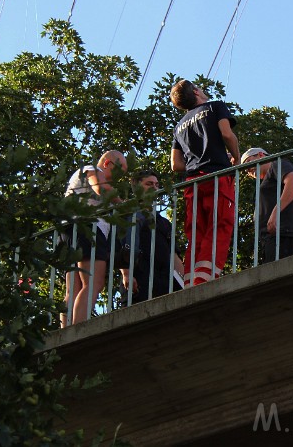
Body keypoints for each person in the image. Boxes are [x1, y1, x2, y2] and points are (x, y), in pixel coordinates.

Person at [170, 80, 241, 287]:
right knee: (219, 224)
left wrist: (195, 164)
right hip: (217, 176)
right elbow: (227, 134)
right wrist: (235, 159)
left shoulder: (179, 126)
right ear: (195, 91)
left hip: (193, 182)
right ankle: (205, 278)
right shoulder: (215, 106)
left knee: (196, 232)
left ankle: (191, 279)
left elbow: (175, 164)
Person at [61, 149, 128, 327]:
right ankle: (76, 332)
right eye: (119, 171)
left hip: (69, 231)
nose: (117, 179)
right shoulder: (92, 170)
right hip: (87, 228)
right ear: (107, 164)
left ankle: (65, 332)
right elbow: (100, 187)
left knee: (73, 289)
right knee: (93, 283)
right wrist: (127, 206)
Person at [118, 171, 184, 304]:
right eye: (149, 184)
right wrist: (126, 273)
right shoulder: (127, 214)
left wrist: (184, 281)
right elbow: (121, 246)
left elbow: (174, 255)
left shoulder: (164, 223)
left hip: (165, 285)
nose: (155, 187)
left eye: (157, 184)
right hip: (139, 281)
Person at [241, 148, 293, 263]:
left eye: (248, 162)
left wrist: (275, 213)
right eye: (245, 170)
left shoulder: (276, 164)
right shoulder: (266, 181)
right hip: (274, 239)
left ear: (260, 155)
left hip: (285, 236)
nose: (248, 170)